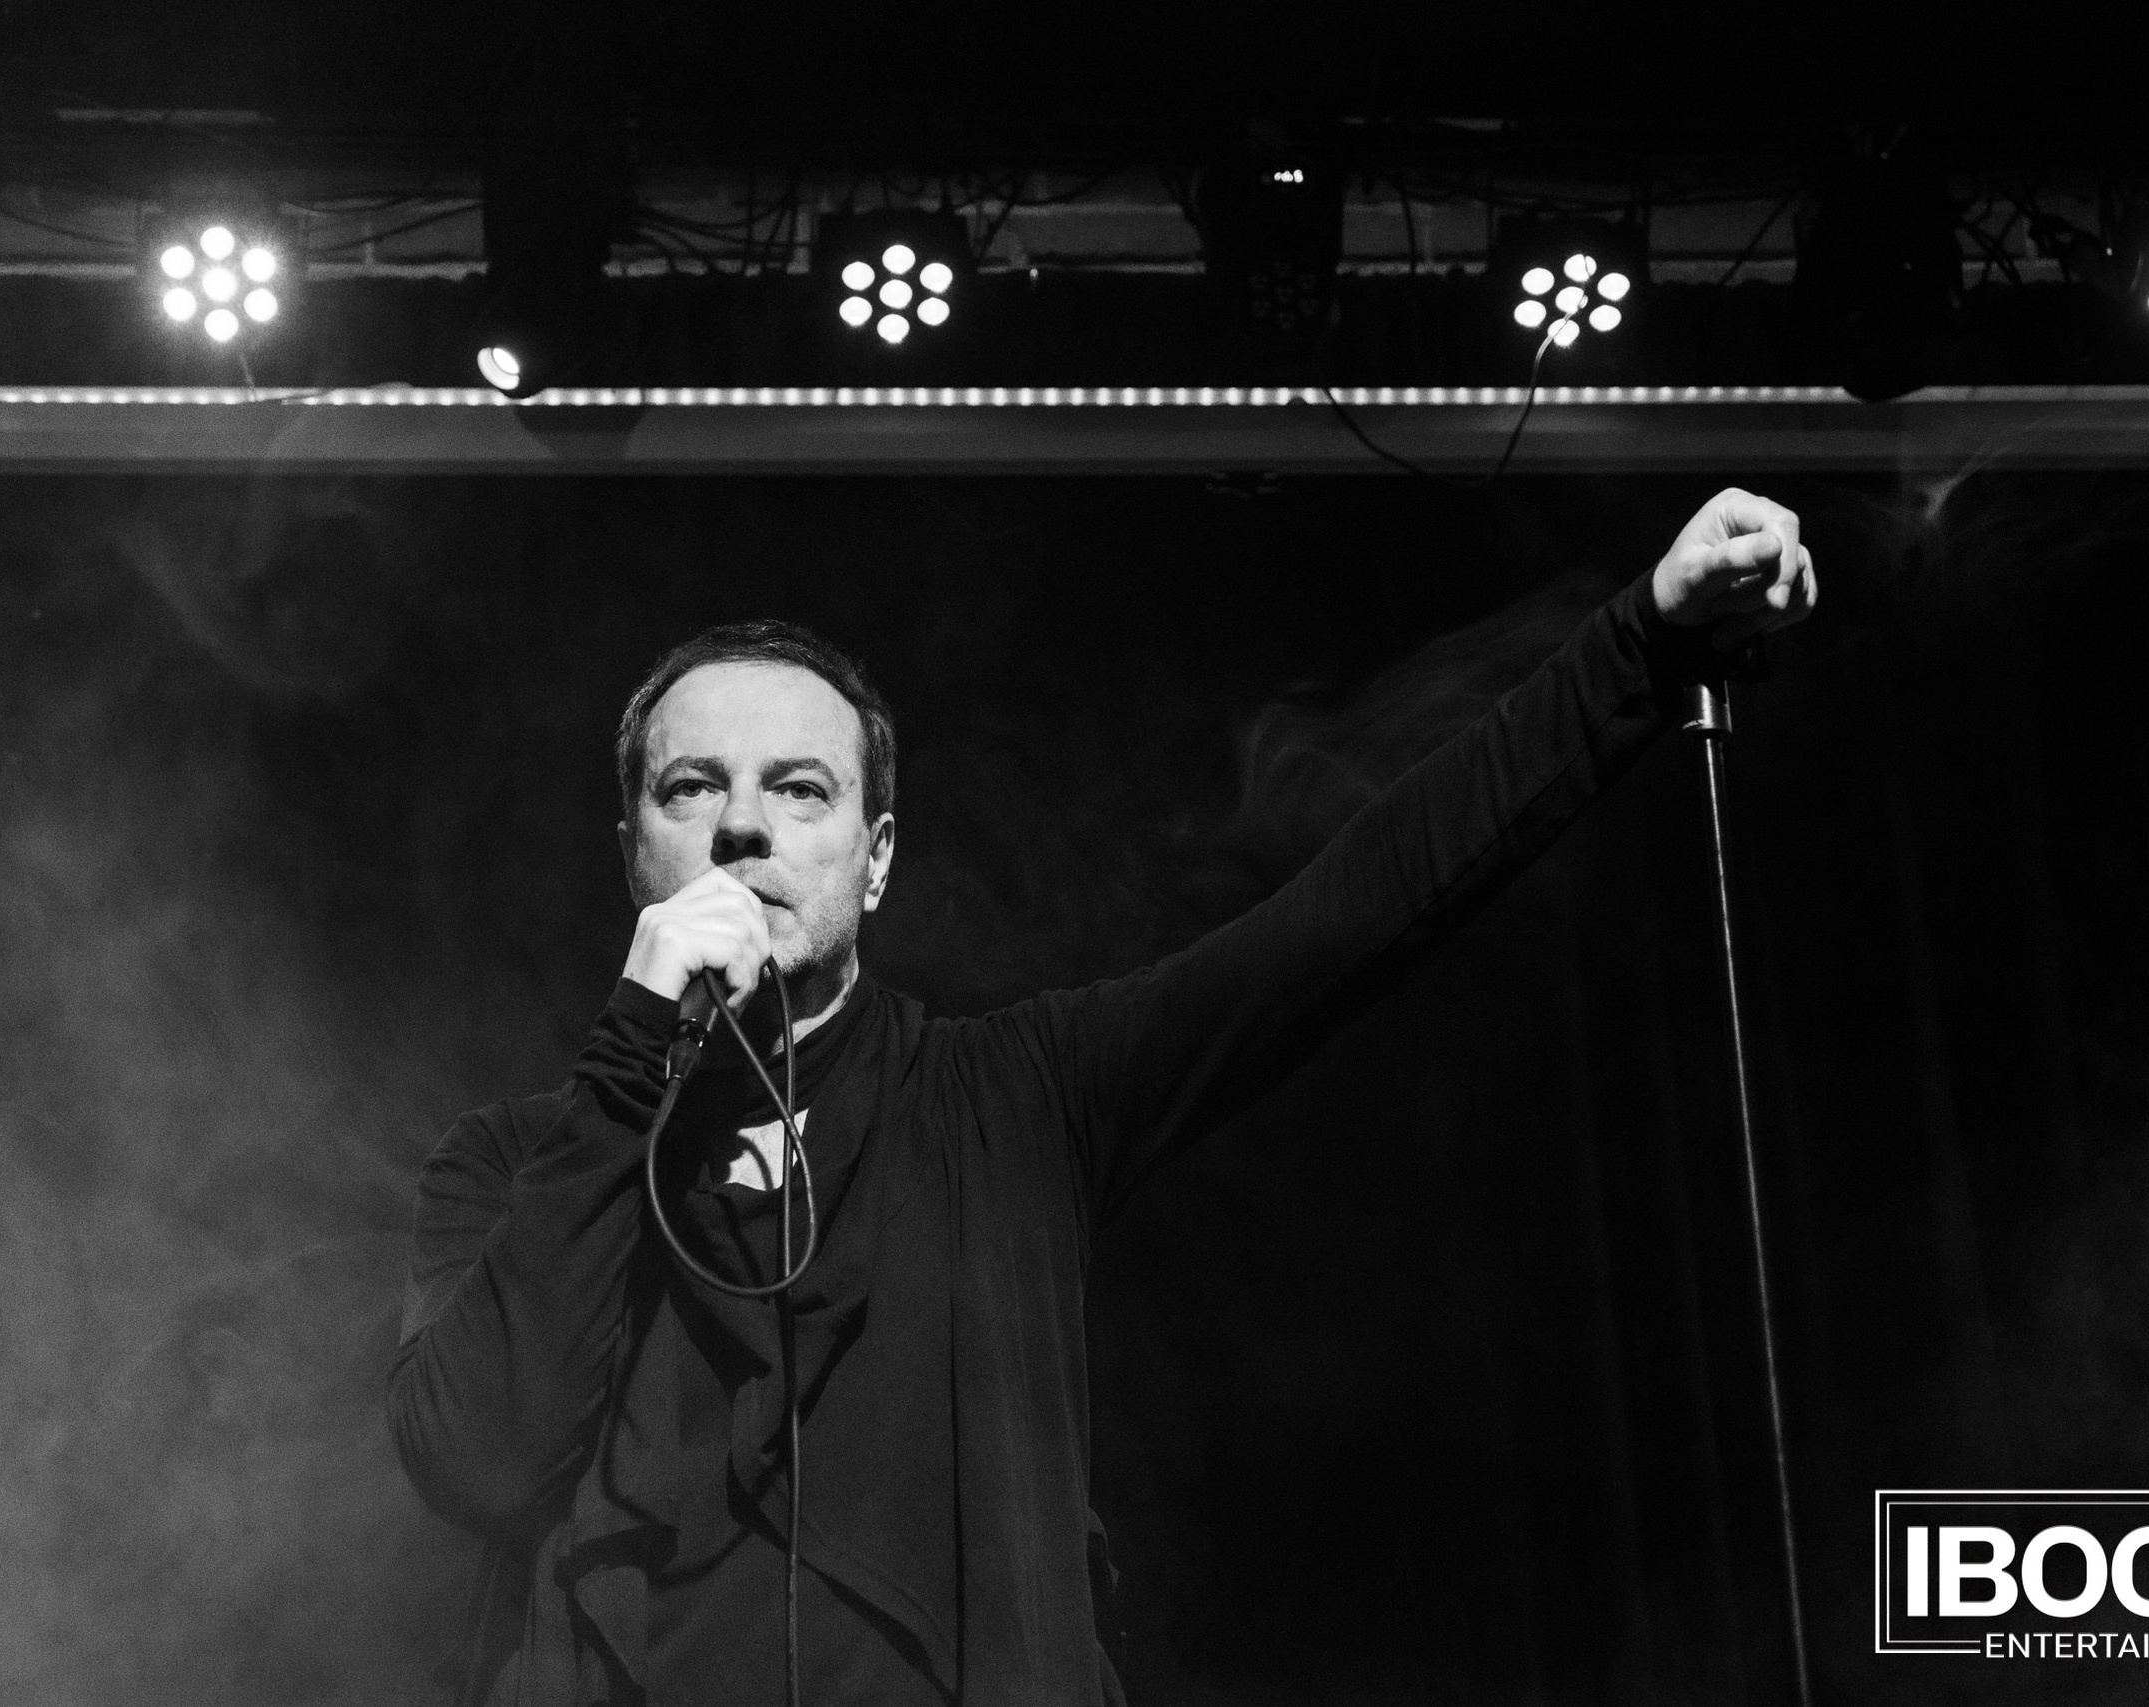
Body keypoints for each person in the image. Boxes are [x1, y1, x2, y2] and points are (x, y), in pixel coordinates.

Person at [389, 489, 1817, 1706]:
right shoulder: (519, 1160)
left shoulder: (1015, 1099)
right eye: (693, 786)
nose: (746, 822)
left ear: (877, 857)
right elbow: (480, 1460)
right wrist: (634, 1055)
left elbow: (1361, 910)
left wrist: (1641, 645)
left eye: (802, 789)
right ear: (633, 847)